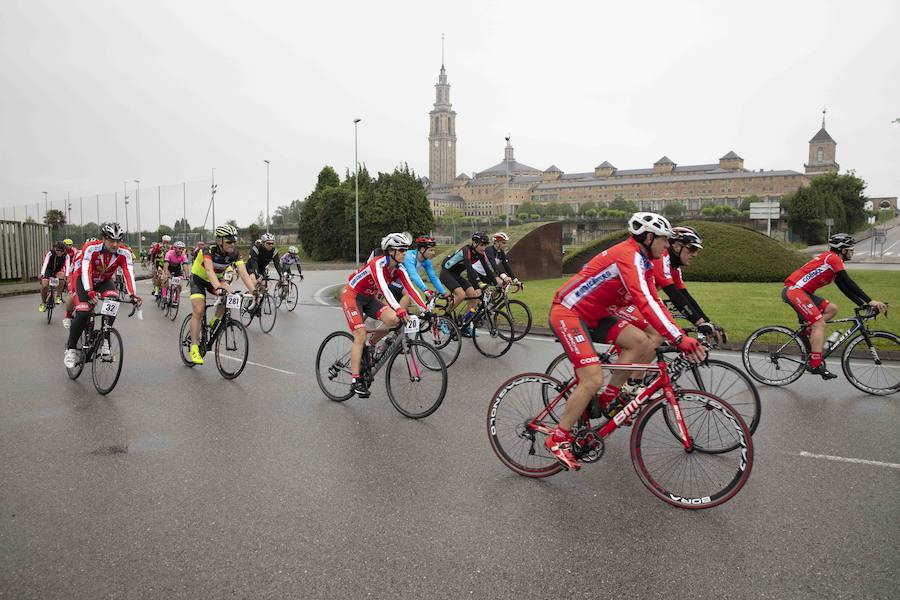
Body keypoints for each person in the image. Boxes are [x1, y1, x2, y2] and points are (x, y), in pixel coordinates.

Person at [544, 212, 705, 471]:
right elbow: (643, 300)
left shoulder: (645, 261)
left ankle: (609, 398)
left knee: (640, 341)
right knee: (592, 378)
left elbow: (655, 302)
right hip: (570, 312)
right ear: (649, 237)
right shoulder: (628, 255)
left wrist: (679, 335)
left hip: (599, 314)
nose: (666, 246)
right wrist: (679, 338)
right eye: (663, 241)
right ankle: (558, 438)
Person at [782, 233, 887, 379]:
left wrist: (862, 304)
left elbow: (844, 287)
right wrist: (870, 301)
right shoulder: (833, 258)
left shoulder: (832, 261)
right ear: (843, 250)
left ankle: (809, 333)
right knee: (819, 324)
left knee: (832, 309)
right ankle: (816, 364)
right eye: (851, 249)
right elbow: (849, 282)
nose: (853, 252)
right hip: (795, 291)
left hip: (803, 293)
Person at [341, 232, 427, 398]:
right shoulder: (377, 263)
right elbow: (383, 288)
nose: (405, 253)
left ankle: (372, 344)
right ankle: (355, 381)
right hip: (352, 296)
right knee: (360, 335)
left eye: (406, 250)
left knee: (393, 320)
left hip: (368, 299)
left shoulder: (399, 268)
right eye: (402, 250)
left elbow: (411, 289)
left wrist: (427, 311)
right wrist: (399, 308)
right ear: (391, 251)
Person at [64, 224, 141, 368]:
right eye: (112, 240)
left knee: (113, 300)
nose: (115, 244)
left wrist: (133, 295)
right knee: (83, 312)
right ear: (103, 239)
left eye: (118, 241)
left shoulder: (124, 253)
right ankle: (71, 349)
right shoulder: (91, 247)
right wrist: (89, 291)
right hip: (83, 280)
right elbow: (86, 269)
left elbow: (128, 273)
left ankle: (105, 341)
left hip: (104, 281)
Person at [187, 225, 257, 365]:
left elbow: (243, 273)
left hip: (217, 280)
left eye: (234, 240)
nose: (233, 244)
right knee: (199, 310)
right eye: (229, 241)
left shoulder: (234, 253)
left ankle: (215, 320)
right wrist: (218, 287)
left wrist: (254, 292)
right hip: (199, 279)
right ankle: (193, 347)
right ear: (220, 241)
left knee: (231, 294)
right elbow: (208, 270)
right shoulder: (208, 250)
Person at [652, 226, 725, 344]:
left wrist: (708, 323)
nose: (695, 254)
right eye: (692, 249)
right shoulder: (661, 258)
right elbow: (673, 295)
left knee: (657, 338)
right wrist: (700, 323)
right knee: (654, 338)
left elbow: (684, 296)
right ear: (676, 246)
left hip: (635, 301)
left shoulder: (674, 268)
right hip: (624, 302)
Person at [440, 232, 504, 333]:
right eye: (482, 245)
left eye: (485, 245)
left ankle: (465, 323)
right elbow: (470, 270)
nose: (483, 248)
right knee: (461, 295)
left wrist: (497, 284)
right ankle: (444, 319)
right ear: (474, 243)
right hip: (446, 273)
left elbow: (488, 270)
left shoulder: (480, 254)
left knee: (474, 298)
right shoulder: (466, 250)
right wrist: (479, 283)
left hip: (457, 275)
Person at [63, 237, 98, 329]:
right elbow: (74, 272)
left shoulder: (99, 256)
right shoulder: (79, 255)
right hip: (75, 276)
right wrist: (72, 287)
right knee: (72, 295)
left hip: (90, 279)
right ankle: (68, 315)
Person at [39, 241, 71, 312]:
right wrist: (42, 273)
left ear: (64, 251)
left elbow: (67, 266)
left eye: (61, 251)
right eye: (57, 250)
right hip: (49, 270)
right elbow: (45, 263)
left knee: (62, 276)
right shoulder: (50, 253)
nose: (59, 252)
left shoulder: (66, 256)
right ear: (55, 249)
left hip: (58, 270)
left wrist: (67, 275)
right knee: (44, 285)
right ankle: (43, 303)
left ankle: (58, 296)